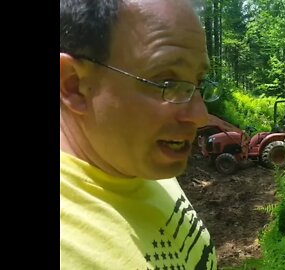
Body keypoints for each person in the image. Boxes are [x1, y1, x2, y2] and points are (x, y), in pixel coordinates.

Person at [60, 0, 220, 269]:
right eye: (166, 83)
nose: (200, 116)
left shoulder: (136, 159)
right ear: (74, 86)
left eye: (198, 83)